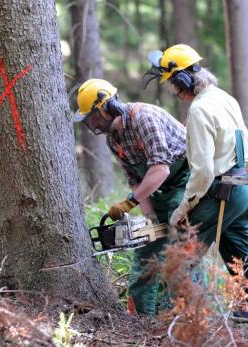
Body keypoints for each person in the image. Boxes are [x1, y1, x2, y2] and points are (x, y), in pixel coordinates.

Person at [144, 44, 248, 339]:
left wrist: (181, 209)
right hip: (243, 186)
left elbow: (202, 173)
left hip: (220, 192)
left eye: (173, 84)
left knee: (180, 262)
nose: (174, 91)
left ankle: (189, 332)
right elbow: (247, 144)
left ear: (182, 80)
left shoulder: (199, 111)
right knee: (247, 264)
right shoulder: (224, 98)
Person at [74, 78, 189, 315]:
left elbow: (161, 168)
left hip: (184, 184)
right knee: (146, 250)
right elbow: (136, 180)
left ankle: (178, 317)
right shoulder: (112, 139)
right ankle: (140, 318)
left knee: (179, 249)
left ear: (107, 106)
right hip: (156, 190)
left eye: (93, 116)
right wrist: (151, 220)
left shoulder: (143, 118)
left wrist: (129, 202)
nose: (92, 123)